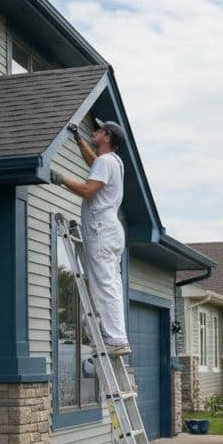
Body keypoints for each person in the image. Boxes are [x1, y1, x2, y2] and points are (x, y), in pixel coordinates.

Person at [50, 117, 130, 356]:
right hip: (110, 229)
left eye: (99, 130)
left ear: (107, 137)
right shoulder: (111, 161)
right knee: (110, 283)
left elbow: (87, 191)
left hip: (101, 229)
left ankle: (115, 339)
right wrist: (79, 141)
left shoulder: (106, 161)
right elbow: (93, 163)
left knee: (105, 285)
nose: (94, 131)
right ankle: (115, 337)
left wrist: (61, 179)